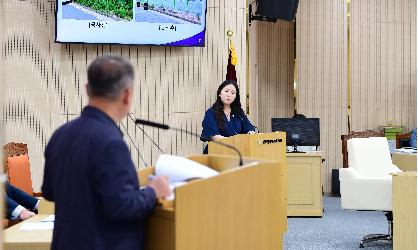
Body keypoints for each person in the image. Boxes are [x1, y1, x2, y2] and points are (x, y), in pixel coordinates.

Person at [42, 55, 171, 250]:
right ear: (127, 95)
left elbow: (49, 193)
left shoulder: (60, 134)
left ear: (87, 89)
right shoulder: (110, 142)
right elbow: (123, 207)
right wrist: (154, 191)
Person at [201, 80, 255, 153]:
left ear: (235, 97)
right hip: (216, 152)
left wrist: (251, 133)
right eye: (226, 91)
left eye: (233, 93)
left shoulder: (238, 112)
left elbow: (249, 127)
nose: (229, 95)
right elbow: (215, 137)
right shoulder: (210, 113)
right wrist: (237, 143)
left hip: (236, 152)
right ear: (219, 93)